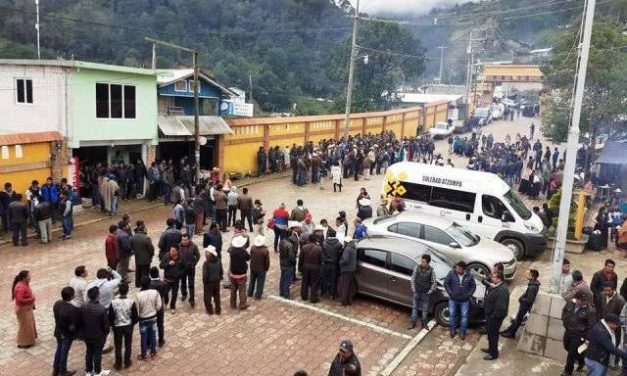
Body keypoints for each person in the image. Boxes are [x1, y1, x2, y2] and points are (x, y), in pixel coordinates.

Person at [562, 291, 596, 376]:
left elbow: (591, 327)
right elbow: (564, 312)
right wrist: (564, 320)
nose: (584, 302)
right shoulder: (570, 304)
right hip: (568, 331)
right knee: (567, 347)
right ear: (576, 299)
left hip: (579, 335)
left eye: (585, 300)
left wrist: (587, 339)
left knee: (571, 353)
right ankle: (582, 362)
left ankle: (568, 371)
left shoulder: (590, 311)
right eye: (581, 300)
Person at [501, 269, 540, 338]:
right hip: (524, 305)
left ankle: (512, 333)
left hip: (525, 305)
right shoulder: (532, 283)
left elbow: (530, 299)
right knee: (517, 319)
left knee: (518, 320)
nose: (528, 275)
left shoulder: (532, 287)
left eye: (530, 275)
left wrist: (522, 299)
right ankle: (509, 329)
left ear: (533, 277)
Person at [81, 286, 111, 376]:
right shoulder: (101, 309)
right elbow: (106, 325)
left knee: (89, 352)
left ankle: (88, 371)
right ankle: (98, 371)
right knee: (97, 354)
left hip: (87, 335)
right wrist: (106, 334)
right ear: (98, 296)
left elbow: (80, 321)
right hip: (99, 336)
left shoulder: (83, 306)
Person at [444, 261, 476, 340]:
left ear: (464, 270)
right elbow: (446, 283)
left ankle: (462, 332)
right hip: (453, 299)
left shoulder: (470, 275)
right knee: (452, 315)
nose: (457, 270)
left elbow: (473, 286)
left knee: (464, 316)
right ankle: (452, 330)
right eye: (456, 268)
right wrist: (450, 293)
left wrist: (469, 295)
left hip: (464, 300)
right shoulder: (451, 273)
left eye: (459, 269)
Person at [108, 283, 137, 370]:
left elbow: (111, 317)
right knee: (128, 345)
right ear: (127, 291)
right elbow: (135, 317)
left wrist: (113, 326)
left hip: (117, 327)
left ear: (119, 291)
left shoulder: (113, 302)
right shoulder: (131, 302)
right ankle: (127, 362)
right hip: (128, 326)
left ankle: (118, 364)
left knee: (118, 346)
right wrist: (131, 325)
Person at [482, 270, 509, 360]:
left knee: (493, 335)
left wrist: (493, 316)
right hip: (490, 315)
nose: (491, 278)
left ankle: (493, 354)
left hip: (495, 318)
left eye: (493, 277)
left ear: (499, 279)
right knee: (490, 334)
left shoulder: (503, 290)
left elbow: (501, 307)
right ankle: (490, 349)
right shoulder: (497, 286)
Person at [53, 286, 79, 376]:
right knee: (64, 352)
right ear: (72, 296)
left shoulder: (57, 303)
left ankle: (56, 369)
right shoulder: (71, 309)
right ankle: (62, 371)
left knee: (59, 349)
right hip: (66, 334)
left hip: (58, 331)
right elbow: (72, 326)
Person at [136, 276, 162, 360]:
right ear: (150, 283)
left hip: (143, 319)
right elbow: (159, 306)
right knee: (153, 334)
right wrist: (154, 310)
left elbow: (136, 310)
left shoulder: (138, 295)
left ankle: (144, 355)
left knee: (143, 337)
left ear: (141, 285)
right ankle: (153, 352)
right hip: (153, 317)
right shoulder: (155, 292)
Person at [409, 254, 437, 330]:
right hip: (417, 292)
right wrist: (414, 289)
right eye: (421, 261)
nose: (421, 263)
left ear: (428, 263)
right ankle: (413, 322)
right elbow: (413, 279)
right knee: (415, 308)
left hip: (425, 294)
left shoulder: (432, 270)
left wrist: (429, 291)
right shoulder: (416, 268)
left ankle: (424, 323)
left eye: (423, 262)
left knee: (425, 310)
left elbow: (434, 283)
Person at [12, 270, 37, 348]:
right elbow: (19, 299)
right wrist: (31, 299)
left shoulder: (25, 284)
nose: (30, 277)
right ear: (24, 278)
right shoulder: (20, 287)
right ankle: (23, 343)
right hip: (23, 309)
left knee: (29, 325)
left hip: (27, 308)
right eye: (29, 276)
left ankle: (28, 341)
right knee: (25, 326)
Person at [299, 233, 324, 303]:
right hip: (315, 268)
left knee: (304, 282)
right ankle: (313, 298)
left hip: (305, 267)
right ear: (316, 239)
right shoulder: (319, 248)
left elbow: (301, 259)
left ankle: (304, 296)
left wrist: (300, 268)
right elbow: (322, 260)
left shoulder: (304, 247)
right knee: (314, 283)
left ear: (309, 239)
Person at [160, 246, 185, 313]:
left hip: (175, 280)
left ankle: (172, 306)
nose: (171, 252)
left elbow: (184, 268)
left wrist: (179, 275)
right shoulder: (166, 256)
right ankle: (166, 302)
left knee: (174, 294)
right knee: (165, 293)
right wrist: (168, 264)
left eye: (173, 251)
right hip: (167, 279)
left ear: (177, 251)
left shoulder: (181, 258)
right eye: (170, 250)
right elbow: (161, 266)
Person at [229, 235, 251, 310]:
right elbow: (248, 258)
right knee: (242, 289)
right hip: (241, 274)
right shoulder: (243, 251)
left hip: (233, 273)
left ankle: (232, 303)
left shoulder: (232, 251)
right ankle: (242, 304)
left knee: (233, 289)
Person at [148, 267, 169, 347]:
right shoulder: (164, 284)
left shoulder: (149, 284)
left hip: (150, 307)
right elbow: (166, 295)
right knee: (160, 324)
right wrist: (166, 303)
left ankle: (149, 342)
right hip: (160, 307)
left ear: (150, 275)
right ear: (158, 274)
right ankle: (160, 340)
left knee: (150, 325)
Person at [179, 233, 201, 308]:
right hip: (182, 268)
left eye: (185, 240)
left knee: (191, 284)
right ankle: (184, 294)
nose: (183, 241)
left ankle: (192, 299)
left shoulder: (194, 246)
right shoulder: (179, 246)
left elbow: (198, 256)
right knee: (183, 282)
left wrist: (194, 264)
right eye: (182, 240)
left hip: (191, 268)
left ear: (189, 240)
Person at [131, 221, 154, 288]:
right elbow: (151, 249)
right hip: (146, 258)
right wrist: (151, 256)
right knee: (145, 272)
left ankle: (137, 284)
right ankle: (145, 285)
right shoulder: (146, 238)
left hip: (137, 257)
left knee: (138, 270)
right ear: (144, 229)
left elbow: (131, 247)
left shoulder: (133, 237)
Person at [321, 228, 342, 300]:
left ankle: (323, 293)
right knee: (333, 280)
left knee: (324, 278)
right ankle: (332, 295)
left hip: (326, 264)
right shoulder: (339, 244)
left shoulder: (324, 243)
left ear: (329, 235)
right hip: (334, 265)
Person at [202, 245, 223, 315]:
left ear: (209, 254)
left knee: (207, 298)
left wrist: (204, 282)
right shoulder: (218, 261)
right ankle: (218, 310)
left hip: (209, 283)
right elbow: (221, 271)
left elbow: (205, 275)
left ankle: (210, 311)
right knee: (217, 297)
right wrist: (219, 278)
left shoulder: (206, 263)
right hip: (217, 281)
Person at [248, 235, 270, 300]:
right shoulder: (265, 250)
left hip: (253, 267)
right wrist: (266, 268)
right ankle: (258, 295)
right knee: (260, 282)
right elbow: (267, 262)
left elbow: (251, 256)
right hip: (261, 268)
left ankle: (250, 292)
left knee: (252, 280)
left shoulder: (252, 248)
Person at [338, 237, 357, 306]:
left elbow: (345, 260)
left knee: (344, 286)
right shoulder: (354, 248)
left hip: (346, 270)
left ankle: (344, 301)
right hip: (352, 269)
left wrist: (340, 262)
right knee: (350, 286)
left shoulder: (347, 249)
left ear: (346, 242)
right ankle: (349, 300)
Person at [279, 229, 297, 299]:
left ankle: (281, 292)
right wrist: (294, 262)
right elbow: (291, 257)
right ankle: (287, 294)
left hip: (282, 263)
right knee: (288, 280)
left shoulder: (281, 242)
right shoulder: (289, 245)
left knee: (282, 278)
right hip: (288, 265)